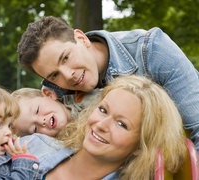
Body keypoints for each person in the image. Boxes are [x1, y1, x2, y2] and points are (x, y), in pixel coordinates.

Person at [17, 16, 199, 151]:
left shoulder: (151, 50)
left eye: (66, 57)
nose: (68, 76)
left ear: (81, 38)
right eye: (54, 75)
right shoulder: (52, 98)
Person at [21, 75, 188, 179]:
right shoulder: (33, 144)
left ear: (140, 145)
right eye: (103, 110)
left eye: (121, 124)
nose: (101, 125)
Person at [11, 87, 100, 137]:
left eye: (37, 110)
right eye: (35, 129)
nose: (41, 121)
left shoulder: (88, 96)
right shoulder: (65, 148)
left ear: (48, 94)